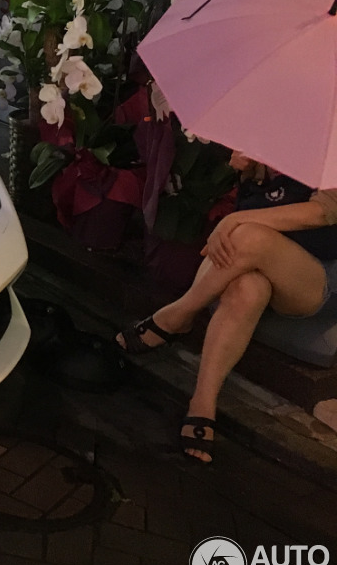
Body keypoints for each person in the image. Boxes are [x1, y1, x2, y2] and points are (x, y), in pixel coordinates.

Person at [117, 150, 337, 464]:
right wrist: (245, 170)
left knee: (248, 235)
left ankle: (179, 314)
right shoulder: (266, 134)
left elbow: (324, 214)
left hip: (315, 276)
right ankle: (203, 403)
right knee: (247, 289)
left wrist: (235, 219)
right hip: (255, 264)